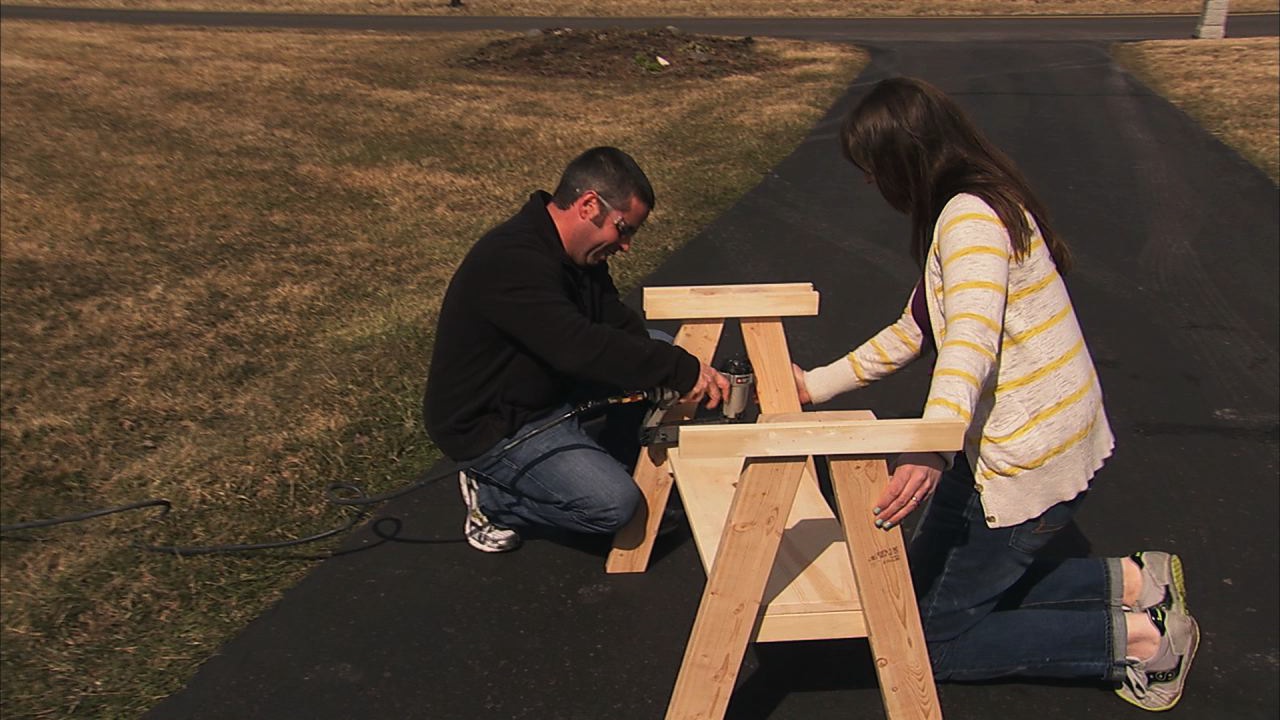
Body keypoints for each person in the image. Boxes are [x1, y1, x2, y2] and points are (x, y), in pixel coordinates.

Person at [791, 77, 1198, 712]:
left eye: (873, 168)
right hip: (992, 445)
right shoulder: (969, 205)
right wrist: (809, 387)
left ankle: (1141, 642)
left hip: (1025, 455)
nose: (870, 183)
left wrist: (928, 448)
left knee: (925, 638)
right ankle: (1132, 580)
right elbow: (916, 330)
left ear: (906, 158)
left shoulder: (969, 219)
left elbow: (969, 345)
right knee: (911, 588)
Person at [424, 146, 729, 554]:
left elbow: (612, 320)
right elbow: (578, 348)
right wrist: (676, 369)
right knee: (614, 507)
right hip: (495, 424)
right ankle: (495, 499)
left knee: (656, 345)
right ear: (589, 205)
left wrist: (677, 367)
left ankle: (614, 456)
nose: (626, 246)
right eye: (625, 229)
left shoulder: (574, 255)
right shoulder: (510, 259)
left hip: (549, 388)